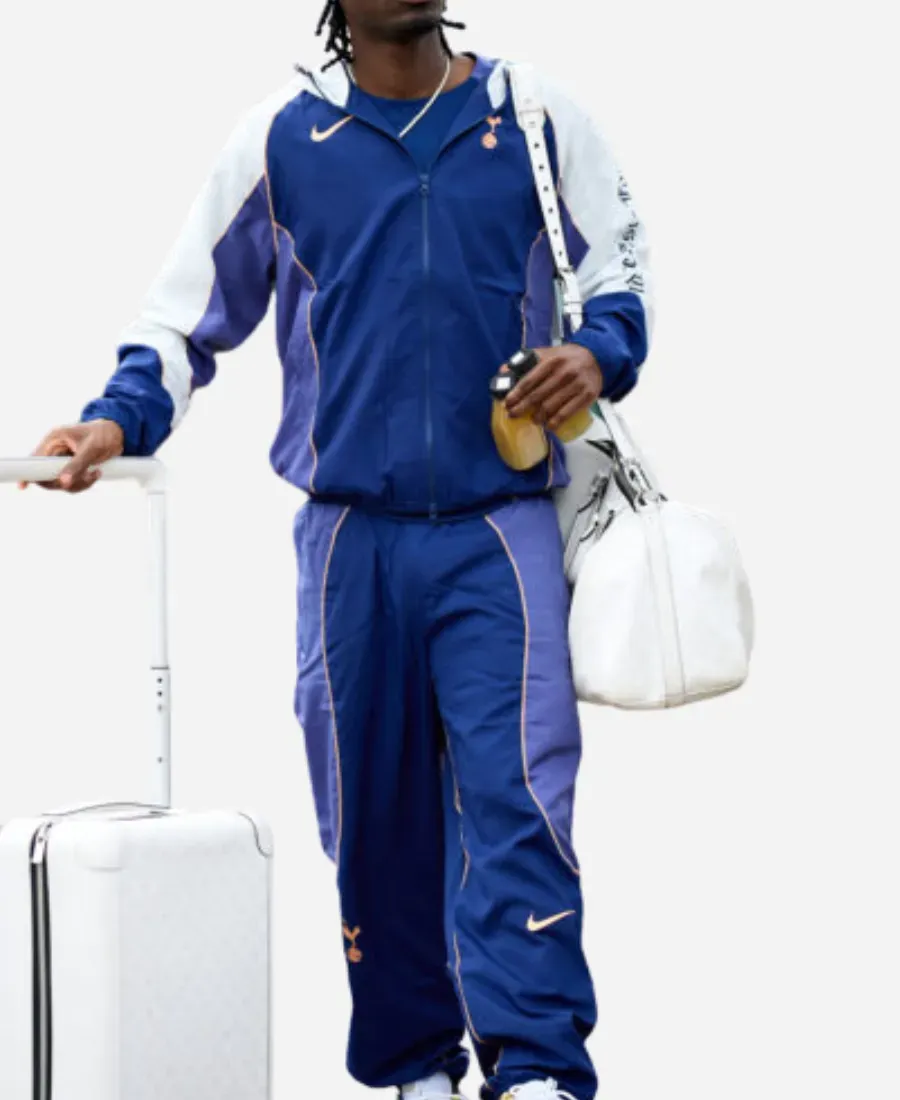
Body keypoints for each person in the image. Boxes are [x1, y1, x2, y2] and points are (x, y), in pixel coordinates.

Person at [24, 2, 651, 1097]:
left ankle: (539, 1069)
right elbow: (181, 316)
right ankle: (416, 1068)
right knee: (372, 816)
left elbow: (621, 276)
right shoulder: (282, 140)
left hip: (501, 531)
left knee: (521, 804)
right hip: (350, 542)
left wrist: (598, 352)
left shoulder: (533, 116)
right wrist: (116, 419)